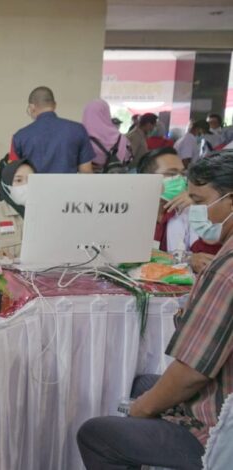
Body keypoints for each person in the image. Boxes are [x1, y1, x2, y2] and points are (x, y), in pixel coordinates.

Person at [77, 152, 233, 470]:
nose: (195, 209)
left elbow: (192, 372)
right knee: (143, 384)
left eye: (200, 201)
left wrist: (142, 410)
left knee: (97, 435)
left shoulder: (226, 270)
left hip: (219, 426)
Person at [136, 147, 218, 273]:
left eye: (183, 174)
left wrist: (199, 205)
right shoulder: (131, 212)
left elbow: (205, 257)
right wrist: (185, 258)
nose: (180, 179)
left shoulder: (188, 210)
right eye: (172, 174)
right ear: (147, 179)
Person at [8, 86, 94, 174]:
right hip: (67, 183)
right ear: (54, 105)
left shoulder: (19, 137)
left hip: (34, 183)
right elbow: (86, 171)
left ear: (32, 107)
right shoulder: (78, 130)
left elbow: (12, 173)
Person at [0, 159, 34, 261]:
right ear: (6, 184)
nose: (26, 185)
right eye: (18, 180)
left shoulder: (46, 213)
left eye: (31, 180)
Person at [82, 99, 130, 171]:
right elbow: (127, 159)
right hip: (114, 176)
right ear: (107, 114)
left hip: (86, 177)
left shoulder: (80, 138)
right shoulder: (121, 138)